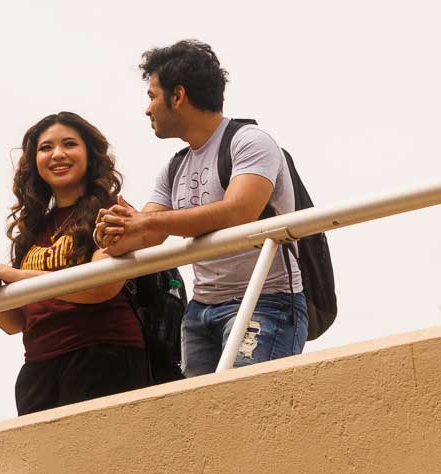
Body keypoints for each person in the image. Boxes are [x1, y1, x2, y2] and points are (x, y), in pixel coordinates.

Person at [97, 39, 309, 377]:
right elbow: (146, 235)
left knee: (246, 405)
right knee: (201, 412)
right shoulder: (174, 167)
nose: (148, 109)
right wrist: (112, 231)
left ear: (178, 96)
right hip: (200, 312)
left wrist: (143, 223)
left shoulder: (250, 141)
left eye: (152, 96)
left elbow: (238, 212)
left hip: (265, 302)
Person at [0, 112, 150, 415]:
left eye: (69, 144)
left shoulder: (111, 210)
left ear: (89, 155)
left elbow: (101, 287)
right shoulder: (32, 228)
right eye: (46, 148)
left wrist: (17, 276)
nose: (57, 154)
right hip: (38, 367)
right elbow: (15, 324)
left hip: (102, 356)